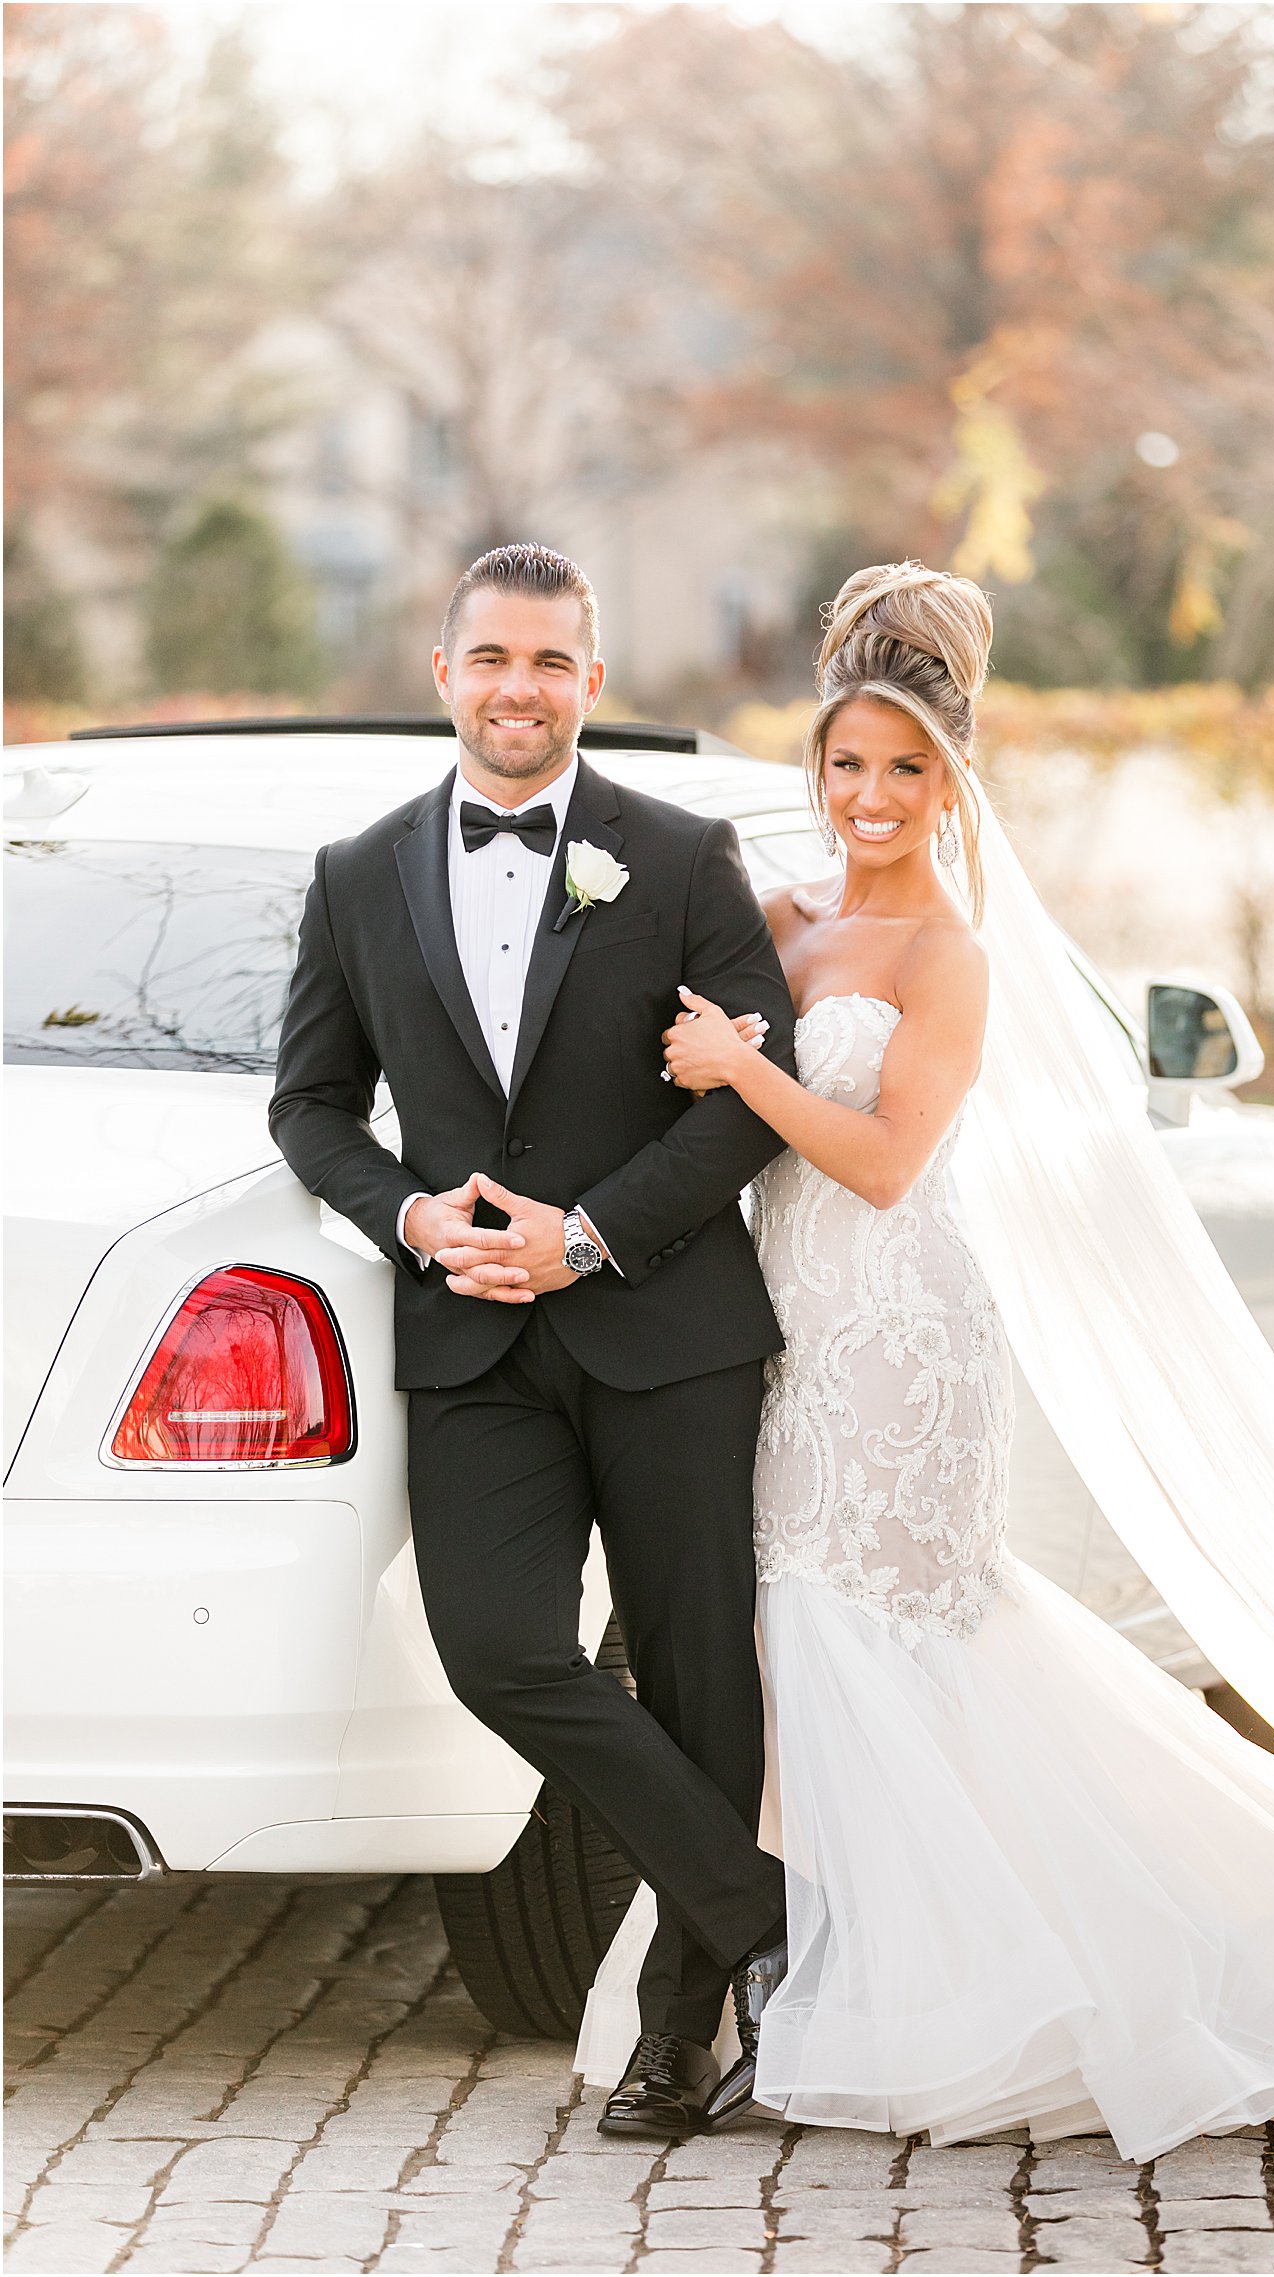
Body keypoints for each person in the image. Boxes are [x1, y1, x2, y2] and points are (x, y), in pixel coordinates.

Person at [576, 561, 1274, 2167]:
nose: (871, 798)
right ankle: (823, 1971)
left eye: (907, 770)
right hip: (775, 1329)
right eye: (848, 764)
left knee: (843, 1627)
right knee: (790, 1650)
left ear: (953, 783)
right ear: (818, 768)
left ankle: (903, 1994)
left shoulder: (953, 954)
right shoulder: (778, 915)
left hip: (900, 1335)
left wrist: (743, 1063)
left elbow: (880, 1158)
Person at [270, 541, 792, 2142]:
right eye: (492, 658)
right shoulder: (358, 872)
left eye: (551, 663)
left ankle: (674, 2043)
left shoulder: (687, 856)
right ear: (443, 673)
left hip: (665, 1325)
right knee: (496, 1642)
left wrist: (591, 1232)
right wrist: (418, 1219)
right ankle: (763, 1909)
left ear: (594, 683)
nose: (520, 689)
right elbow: (308, 1104)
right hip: (472, 1341)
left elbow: (750, 1111)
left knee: (701, 1673)